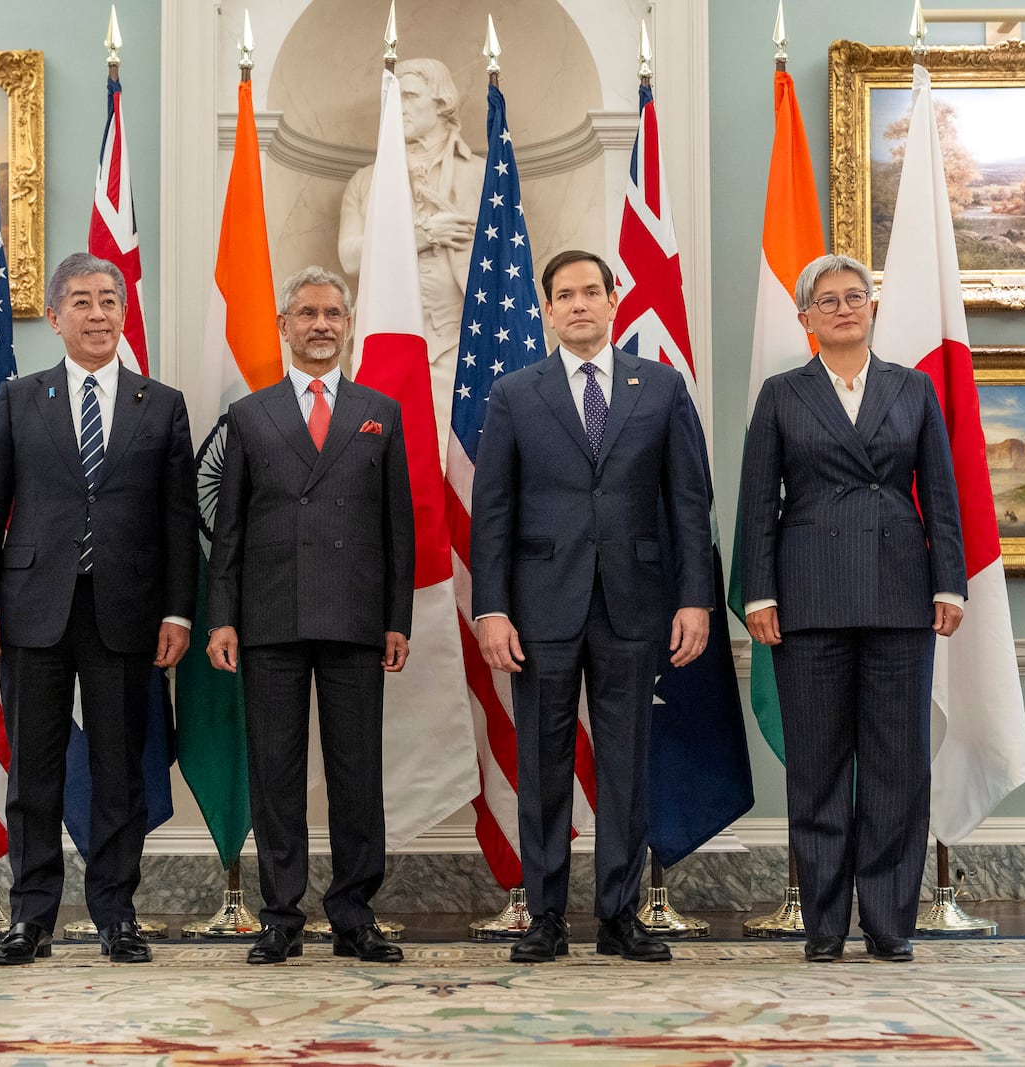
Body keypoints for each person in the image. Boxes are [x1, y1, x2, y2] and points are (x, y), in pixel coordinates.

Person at [471, 249, 714, 964]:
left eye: (590, 291)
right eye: (564, 295)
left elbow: (688, 503)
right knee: (544, 765)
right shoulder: (515, 393)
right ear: (547, 310)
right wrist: (491, 608)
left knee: (626, 766)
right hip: (539, 608)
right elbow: (492, 513)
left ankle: (618, 915)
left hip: (635, 605)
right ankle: (545, 917)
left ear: (615, 299)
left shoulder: (662, 388)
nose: (578, 304)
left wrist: (694, 598)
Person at [0, 252, 196, 966]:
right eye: (83, 301)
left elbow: (179, 521)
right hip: (32, 608)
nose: (98, 314)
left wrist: (178, 612)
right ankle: (31, 917)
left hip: (126, 611)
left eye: (109, 300)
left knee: (120, 769)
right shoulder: (18, 399)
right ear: (54, 317)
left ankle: (115, 914)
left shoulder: (161, 404)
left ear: (124, 312)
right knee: (33, 771)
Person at [737, 253, 967, 965]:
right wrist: (759, 591)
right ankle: (826, 923)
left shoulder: (914, 390)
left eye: (854, 296)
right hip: (809, 599)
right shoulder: (781, 395)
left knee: (898, 763)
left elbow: (941, 494)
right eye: (827, 300)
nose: (843, 307)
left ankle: (890, 919)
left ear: (872, 309)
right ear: (805, 318)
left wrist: (949, 582)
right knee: (818, 765)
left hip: (900, 593)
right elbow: (758, 503)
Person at [206, 266, 415, 965]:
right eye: (306, 313)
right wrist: (222, 617)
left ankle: (355, 914)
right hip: (269, 617)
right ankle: (280, 916)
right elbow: (228, 528)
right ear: (284, 326)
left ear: (348, 323)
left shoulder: (379, 408)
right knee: (277, 772)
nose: (320, 324)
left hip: (357, 617)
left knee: (358, 773)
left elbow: (398, 530)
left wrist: (397, 619)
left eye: (332, 313)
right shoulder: (249, 414)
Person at [338, 57, 483, 467]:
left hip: (458, 343)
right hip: (385, 339)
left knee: (459, 463)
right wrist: (421, 235)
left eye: (411, 95)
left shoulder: (481, 175)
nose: (398, 105)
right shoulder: (366, 182)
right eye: (394, 96)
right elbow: (350, 255)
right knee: (386, 461)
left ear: (441, 102)